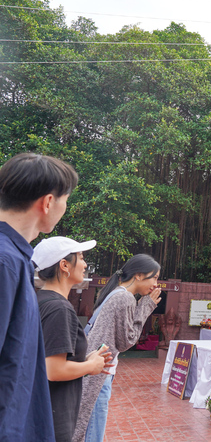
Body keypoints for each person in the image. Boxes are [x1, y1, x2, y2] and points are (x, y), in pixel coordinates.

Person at [0, 153, 78, 441]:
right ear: (48, 202)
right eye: (65, 200)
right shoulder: (5, 262)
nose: (64, 208)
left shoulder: (16, 260)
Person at [73, 254, 162, 442]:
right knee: (92, 431)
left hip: (95, 367)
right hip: (100, 372)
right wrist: (146, 306)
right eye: (154, 277)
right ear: (138, 275)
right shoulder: (125, 298)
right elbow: (127, 341)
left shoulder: (116, 293)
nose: (156, 284)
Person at [33, 237, 112, 442]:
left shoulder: (41, 300)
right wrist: (90, 366)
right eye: (81, 257)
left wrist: (84, 360)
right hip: (53, 416)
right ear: (64, 265)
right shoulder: (59, 308)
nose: (85, 264)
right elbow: (53, 369)